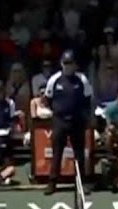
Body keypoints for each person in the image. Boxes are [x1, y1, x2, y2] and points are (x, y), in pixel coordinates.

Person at [42, 50, 93, 194]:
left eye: (70, 63)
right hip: (60, 121)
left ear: (75, 64)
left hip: (77, 121)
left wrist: (85, 117)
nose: (68, 66)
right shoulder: (54, 79)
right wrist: (58, 112)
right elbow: (48, 99)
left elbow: (87, 99)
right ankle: (52, 183)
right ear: (61, 64)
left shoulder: (82, 79)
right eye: (65, 63)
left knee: (79, 154)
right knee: (57, 153)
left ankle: (81, 183)